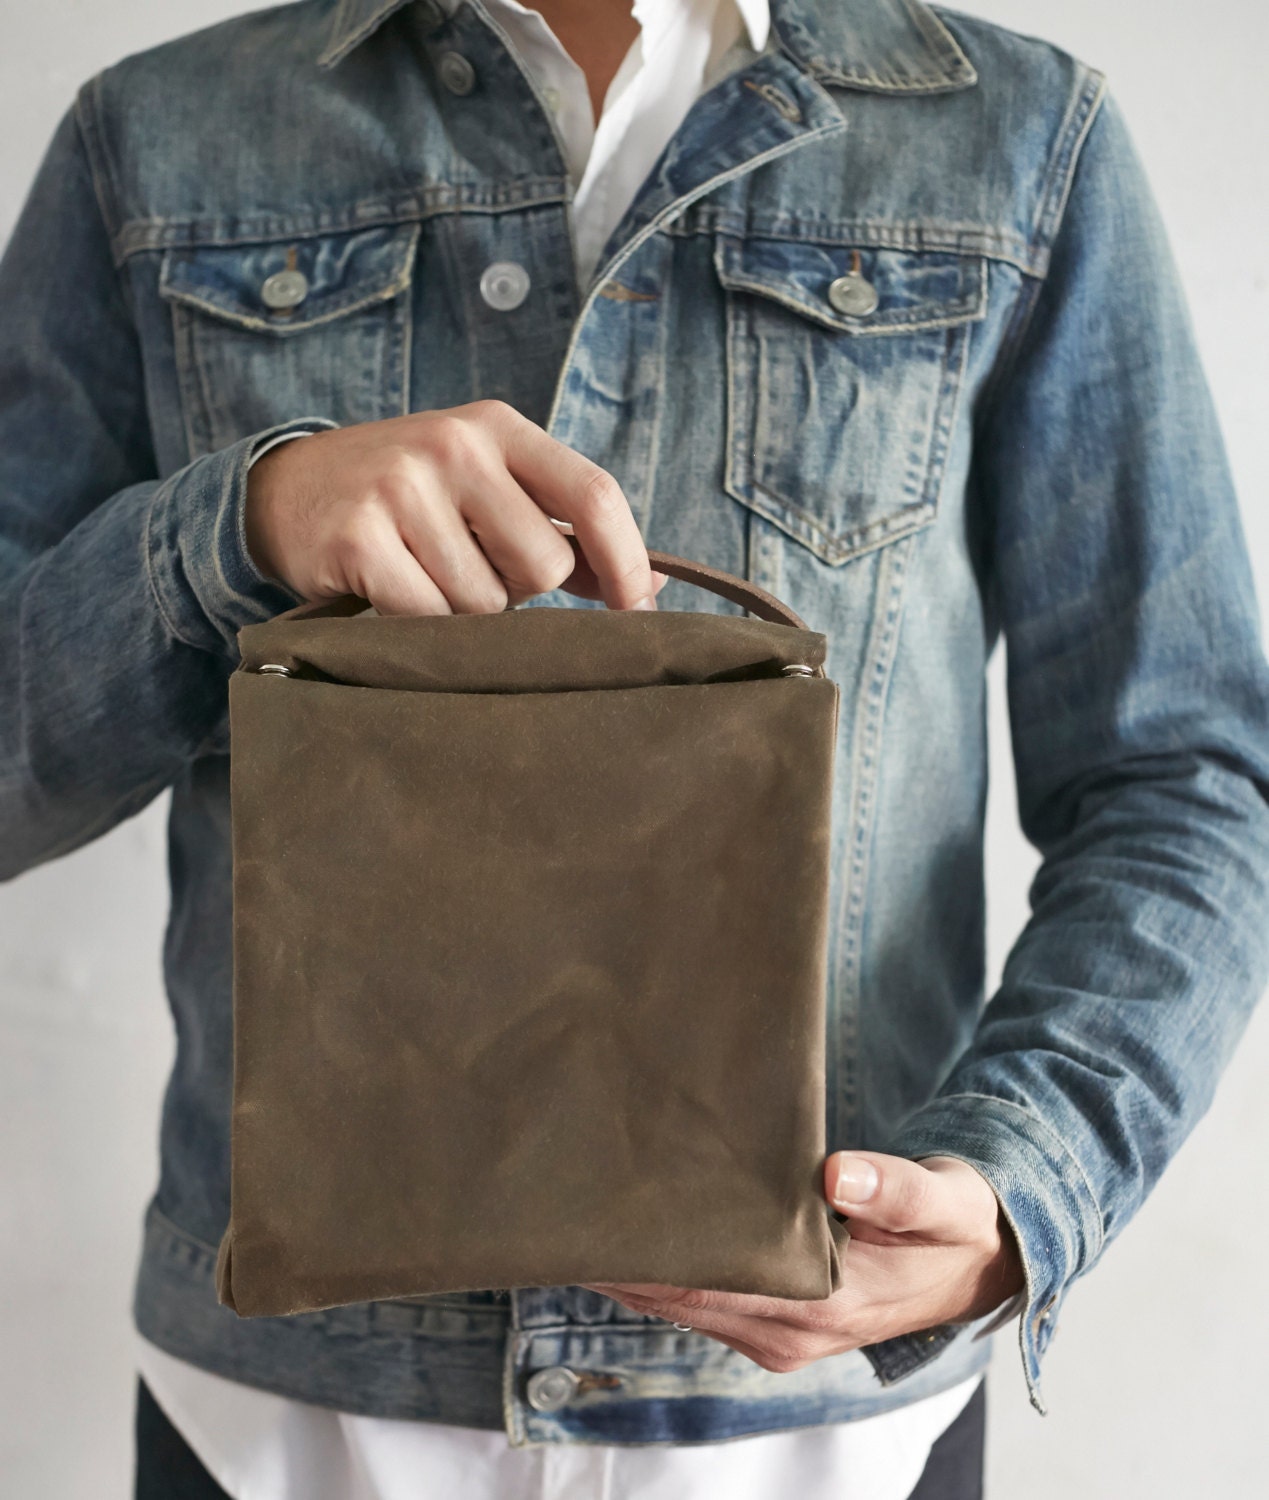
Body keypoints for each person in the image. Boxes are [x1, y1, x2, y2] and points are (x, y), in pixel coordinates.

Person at [2, 0, 1266, 1496]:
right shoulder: (155, 140)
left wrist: (1018, 1182)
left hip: (825, 1438)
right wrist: (236, 523)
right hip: (281, 1427)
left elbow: (1180, 777)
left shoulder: (1014, 138)